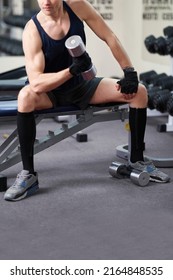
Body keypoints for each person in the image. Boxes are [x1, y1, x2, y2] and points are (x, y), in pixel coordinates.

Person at [4, 0, 170, 201]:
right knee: (25, 96)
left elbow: (109, 36)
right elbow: (37, 83)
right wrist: (71, 70)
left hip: (83, 86)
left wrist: (129, 70)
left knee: (140, 92)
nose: (46, 2)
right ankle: (28, 174)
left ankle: (136, 161)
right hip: (50, 92)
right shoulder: (32, 30)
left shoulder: (77, 6)